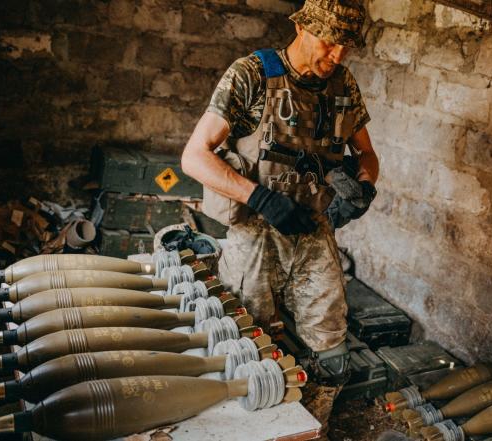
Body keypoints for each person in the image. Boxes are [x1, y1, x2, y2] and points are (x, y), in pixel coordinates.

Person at [181, 0, 379, 436]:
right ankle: (247, 428)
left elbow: (366, 153)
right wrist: (261, 198)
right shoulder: (250, 74)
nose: (337, 56)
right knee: (242, 334)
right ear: (304, 28)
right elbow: (194, 158)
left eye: (346, 47)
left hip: (312, 232)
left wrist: (363, 187)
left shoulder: (343, 84)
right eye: (330, 43)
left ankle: (311, 427)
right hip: (255, 232)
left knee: (330, 344)